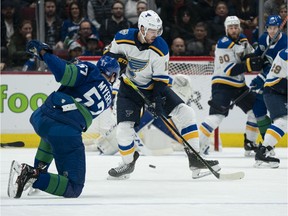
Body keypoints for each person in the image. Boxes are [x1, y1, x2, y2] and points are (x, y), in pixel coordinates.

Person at [103, 10, 220, 180]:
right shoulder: (122, 37)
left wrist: (157, 102)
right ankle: (127, 163)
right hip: (128, 89)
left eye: (157, 30)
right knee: (123, 129)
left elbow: (160, 81)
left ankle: (195, 159)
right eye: (151, 31)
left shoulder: (161, 47)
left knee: (186, 113)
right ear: (141, 28)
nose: (155, 34)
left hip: (153, 88)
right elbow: (108, 57)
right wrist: (116, 65)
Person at [7, 40, 120, 199]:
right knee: (74, 187)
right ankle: (32, 175)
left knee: (52, 136)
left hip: (42, 118)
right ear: (113, 75)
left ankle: (38, 170)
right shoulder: (109, 96)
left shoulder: (89, 69)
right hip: (65, 128)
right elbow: (65, 74)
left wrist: (44, 53)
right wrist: (46, 54)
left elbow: (65, 73)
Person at [198, 16, 263, 156]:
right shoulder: (223, 44)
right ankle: (198, 145)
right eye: (231, 28)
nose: (234, 30)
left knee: (256, 110)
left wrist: (257, 53)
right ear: (226, 29)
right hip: (222, 84)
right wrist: (249, 64)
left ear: (239, 27)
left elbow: (250, 55)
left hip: (239, 84)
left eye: (236, 27)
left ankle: (250, 144)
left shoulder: (243, 40)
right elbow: (230, 70)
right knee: (217, 116)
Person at [250, 15, 287, 140]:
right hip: (268, 81)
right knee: (258, 109)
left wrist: (260, 78)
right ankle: (266, 143)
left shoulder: (285, 44)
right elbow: (258, 58)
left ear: (279, 28)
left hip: (280, 82)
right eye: (269, 28)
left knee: (280, 118)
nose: (272, 31)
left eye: (275, 28)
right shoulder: (263, 39)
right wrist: (256, 60)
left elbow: (278, 70)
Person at [254, 48, 287, 168]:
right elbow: (280, 82)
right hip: (274, 91)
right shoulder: (285, 54)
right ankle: (262, 152)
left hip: (283, 91)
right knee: (283, 121)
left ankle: (262, 152)